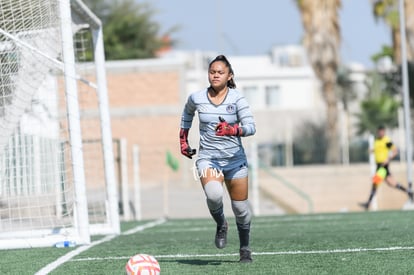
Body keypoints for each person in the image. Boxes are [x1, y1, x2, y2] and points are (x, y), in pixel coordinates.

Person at [179, 55, 256, 263]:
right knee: (213, 195)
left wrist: (232, 129)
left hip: (234, 160)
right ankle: (221, 224)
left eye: (220, 72)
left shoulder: (237, 98)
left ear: (229, 76)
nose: (215, 75)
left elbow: (251, 127)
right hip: (208, 159)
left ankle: (245, 249)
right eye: (212, 71)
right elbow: (187, 115)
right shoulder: (197, 97)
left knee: (241, 209)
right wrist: (183, 140)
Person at [359, 125, 413, 210]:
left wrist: (388, 158)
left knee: (375, 183)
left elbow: (395, 151)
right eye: (379, 131)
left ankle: (368, 204)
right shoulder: (377, 140)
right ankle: (409, 192)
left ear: (384, 132)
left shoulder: (386, 141)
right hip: (379, 165)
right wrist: (372, 150)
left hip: (383, 166)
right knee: (391, 183)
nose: (380, 133)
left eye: (382, 131)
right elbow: (377, 150)